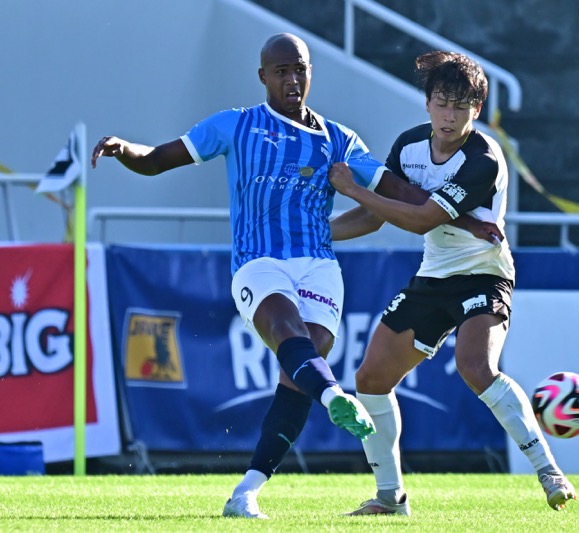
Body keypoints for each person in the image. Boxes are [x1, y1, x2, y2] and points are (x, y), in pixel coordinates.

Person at [92, 33, 499, 520]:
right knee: (289, 332)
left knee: (304, 362)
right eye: (281, 71)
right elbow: (157, 160)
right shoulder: (235, 126)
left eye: (299, 69)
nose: (292, 79)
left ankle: (247, 490)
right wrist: (123, 149)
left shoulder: (339, 140)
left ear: (310, 73)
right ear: (263, 76)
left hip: (319, 264)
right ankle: (334, 396)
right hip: (258, 261)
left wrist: (468, 219)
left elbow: (403, 193)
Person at [328, 50, 576, 514]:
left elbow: (422, 220)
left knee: (475, 366)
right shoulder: (408, 147)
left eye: (461, 106)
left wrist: (354, 188)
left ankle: (548, 471)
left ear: (476, 111)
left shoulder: (484, 158)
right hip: (433, 276)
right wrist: (316, 235)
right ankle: (390, 498)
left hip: (484, 272)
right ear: (426, 103)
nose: (449, 114)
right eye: (442, 102)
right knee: (370, 379)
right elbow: (374, 217)